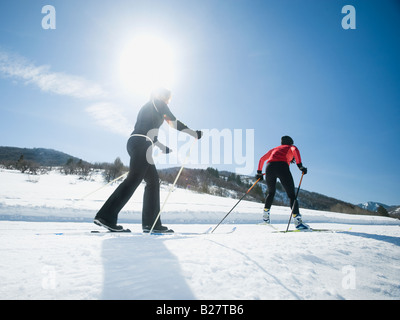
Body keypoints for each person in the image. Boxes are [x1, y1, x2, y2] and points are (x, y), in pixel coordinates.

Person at [94, 88, 202, 233]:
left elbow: (151, 133)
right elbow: (173, 123)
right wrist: (192, 133)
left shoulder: (150, 106)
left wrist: (163, 147)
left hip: (137, 142)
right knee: (133, 180)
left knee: (152, 182)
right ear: (165, 97)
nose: (168, 101)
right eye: (168, 98)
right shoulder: (159, 103)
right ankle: (106, 216)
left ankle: (151, 224)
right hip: (142, 144)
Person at [256, 136, 309, 229]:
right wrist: (300, 166)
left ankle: (265, 219)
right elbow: (295, 151)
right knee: (292, 195)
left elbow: (262, 159)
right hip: (282, 167)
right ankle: (298, 223)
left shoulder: (275, 149)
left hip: (269, 167)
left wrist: (259, 172)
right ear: (290, 142)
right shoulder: (291, 147)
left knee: (271, 193)